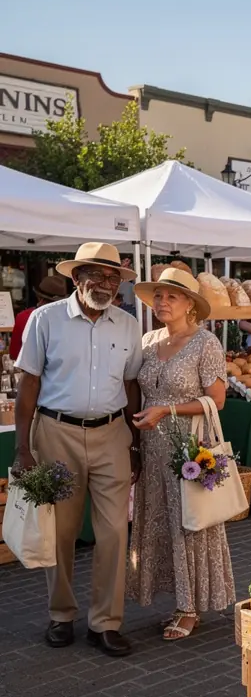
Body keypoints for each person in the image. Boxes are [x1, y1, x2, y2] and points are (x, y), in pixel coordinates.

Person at [13, 242, 142, 657]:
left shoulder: (127, 324)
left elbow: (131, 384)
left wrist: (135, 442)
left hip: (111, 435)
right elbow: (28, 383)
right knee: (62, 531)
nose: (106, 285)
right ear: (76, 278)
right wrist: (23, 448)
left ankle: (105, 622)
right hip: (56, 434)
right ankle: (61, 614)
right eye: (98, 276)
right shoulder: (44, 319)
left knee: (113, 532)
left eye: (113, 278)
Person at [126, 268, 235, 641]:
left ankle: (190, 608)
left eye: (171, 296)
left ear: (191, 305)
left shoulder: (206, 344)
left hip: (187, 446)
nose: (162, 302)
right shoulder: (148, 340)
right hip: (152, 447)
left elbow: (217, 400)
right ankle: (176, 600)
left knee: (189, 520)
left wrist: (167, 411)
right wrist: (136, 445)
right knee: (160, 520)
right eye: (158, 295)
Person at [9, 275, 67, 360]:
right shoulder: (71, 318)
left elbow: (14, 354)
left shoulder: (24, 317)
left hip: (31, 370)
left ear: (39, 297)